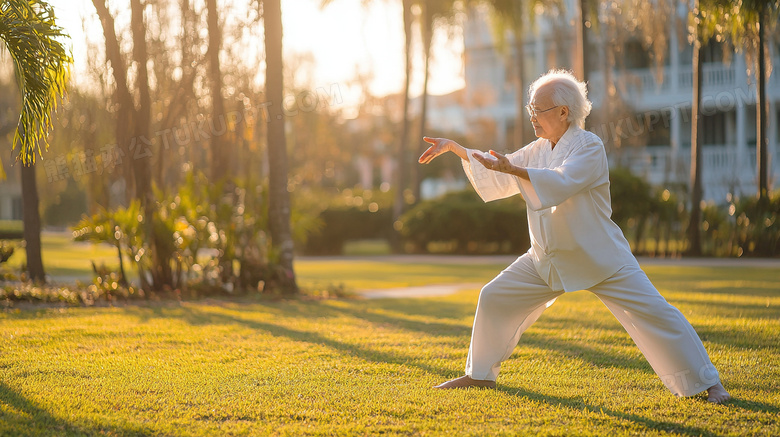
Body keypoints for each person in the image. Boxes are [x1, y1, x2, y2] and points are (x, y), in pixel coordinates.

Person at [418, 69, 731, 404]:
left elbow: (561, 182)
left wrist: (514, 170)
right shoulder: (540, 148)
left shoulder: (589, 146)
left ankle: (710, 385)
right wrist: (456, 148)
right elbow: (500, 166)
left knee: (655, 313)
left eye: (538, 110)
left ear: (564, 112)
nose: (532, 117)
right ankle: (479, 375)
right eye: (531, 109)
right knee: (494, 296)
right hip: (547, 258)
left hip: (599, 257)